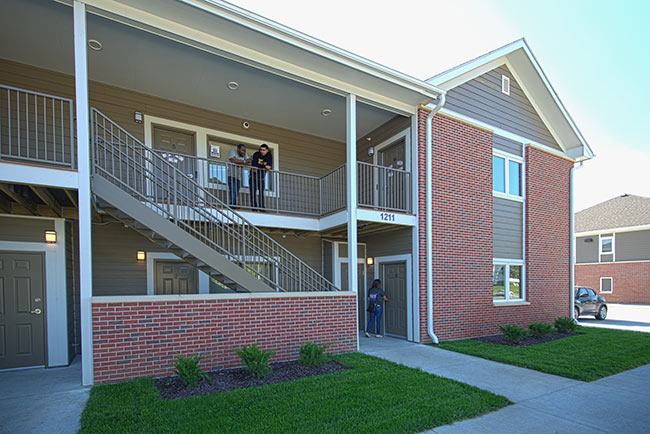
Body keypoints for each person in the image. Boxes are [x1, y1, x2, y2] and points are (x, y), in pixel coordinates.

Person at [249, 144, 272, 210]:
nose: (261, 151)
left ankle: (262, 208)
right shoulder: (256, 154)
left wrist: (259, 166)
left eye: (263, 150)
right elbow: (254, 165)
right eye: (261, 150)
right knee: (253, 192)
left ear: (267, 150)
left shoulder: (269, 156)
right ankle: (254, 208)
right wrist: (264, 167)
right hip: (253, 177)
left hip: (261, 178)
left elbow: (269, 167)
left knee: (261, 193)